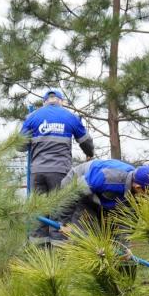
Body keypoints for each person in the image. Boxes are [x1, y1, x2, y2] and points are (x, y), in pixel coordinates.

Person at [20, 89, 94, 243]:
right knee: (59, 212)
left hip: (37, 173)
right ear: (61, 101)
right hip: (60, 172)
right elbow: (86, 142)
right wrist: (89, 153)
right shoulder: (70, 117)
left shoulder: (32, 117)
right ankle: (59, 256)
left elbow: (19, 145)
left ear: (44, 102)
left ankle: (38, 257)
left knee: (38, 213)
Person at [55, 159, 149, 229]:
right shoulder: (108, 178)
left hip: (100, 195)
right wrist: (63, 223)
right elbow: (72, 193)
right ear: (138, 187)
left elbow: (125, 223)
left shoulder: (137, 192)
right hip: (76, 185)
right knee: (83, 232)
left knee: (102, 236)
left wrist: (124, 249)